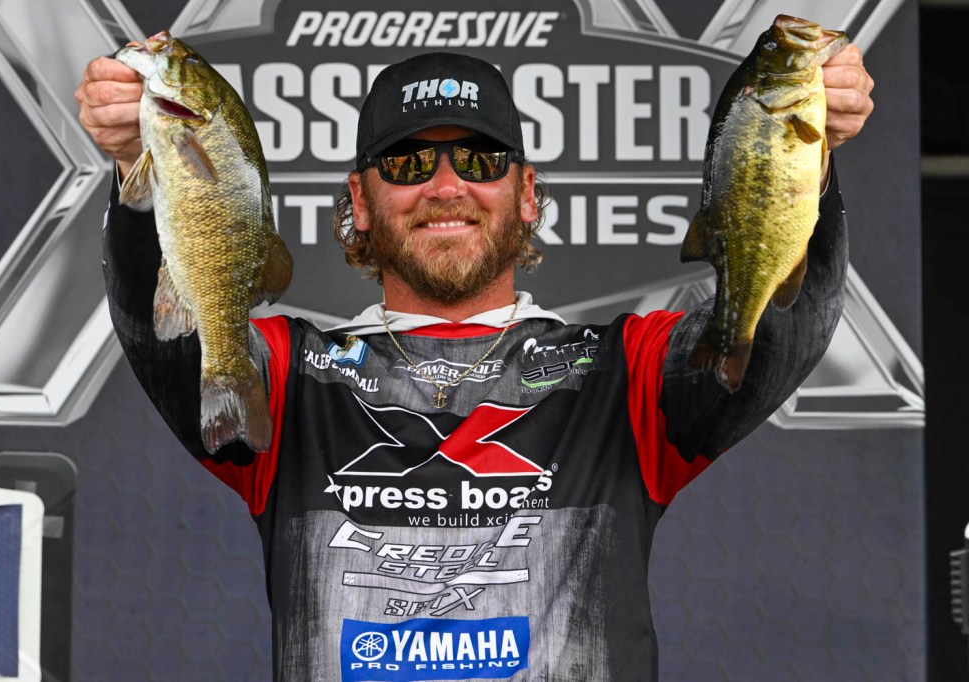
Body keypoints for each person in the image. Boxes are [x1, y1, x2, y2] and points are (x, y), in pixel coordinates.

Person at [76, 40, 874, 682]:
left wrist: (803, 155)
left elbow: (779, 332)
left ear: (526, 193)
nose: (447, 185)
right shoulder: (290, 377)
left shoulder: (622, 372)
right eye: (408, 163)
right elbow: (167, 340)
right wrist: (143, 175)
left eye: (481, 160)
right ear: (359, 201)